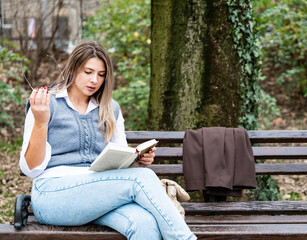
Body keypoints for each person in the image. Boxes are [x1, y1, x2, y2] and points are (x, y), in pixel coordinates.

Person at [19, 40, 196, 240]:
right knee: (142, 178)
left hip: (99, 194)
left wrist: (137, 159)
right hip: (52, 195)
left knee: (144, 224)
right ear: (73, 68)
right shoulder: (44, 103)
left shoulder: (111, 109)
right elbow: (30, 169)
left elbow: (120, 162)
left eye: (101, 75)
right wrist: (41, 122)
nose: (94, 80)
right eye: (88, 72)